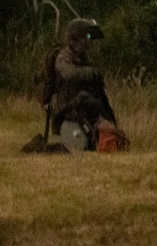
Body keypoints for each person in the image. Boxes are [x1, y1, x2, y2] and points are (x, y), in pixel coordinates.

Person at [50, 18, 123, 151]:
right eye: (87, 36)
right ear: (76, 38)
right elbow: (68, 74)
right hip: (66, 106)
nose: (89, 40)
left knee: (101, 102)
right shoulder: (63, 56)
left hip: (79, 103)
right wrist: (89, 73)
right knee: (90, 101)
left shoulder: (83, 58)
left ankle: (109, 135)